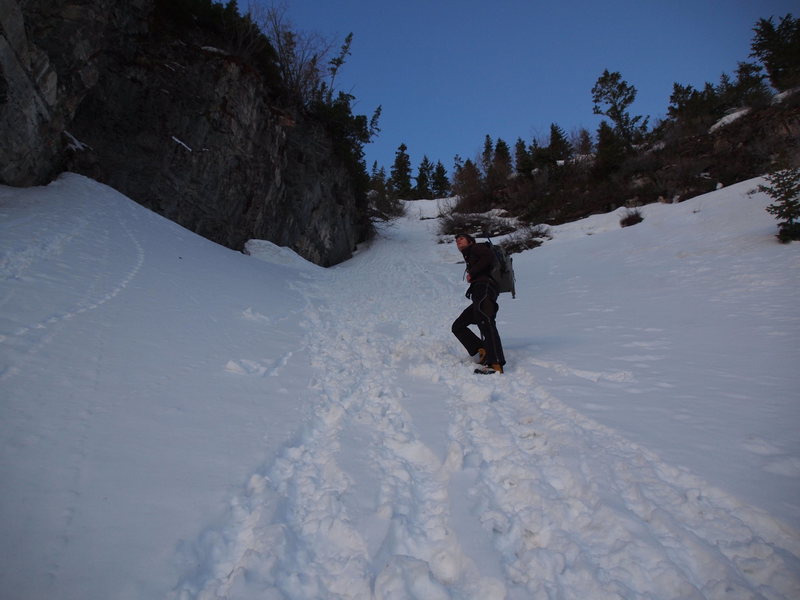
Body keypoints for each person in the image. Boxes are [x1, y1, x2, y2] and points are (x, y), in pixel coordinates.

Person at [451, 233, 506, 374]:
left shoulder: (476, 248)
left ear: (471, 242)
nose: (458, 241)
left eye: (461, 239)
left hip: (485, 288)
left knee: (486, 322)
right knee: (458, 326)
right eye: (456, 241)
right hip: (480, 290)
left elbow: (489, 257)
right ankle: (483, 350)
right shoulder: (470, 254)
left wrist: (472, 273)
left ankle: (496, 363)